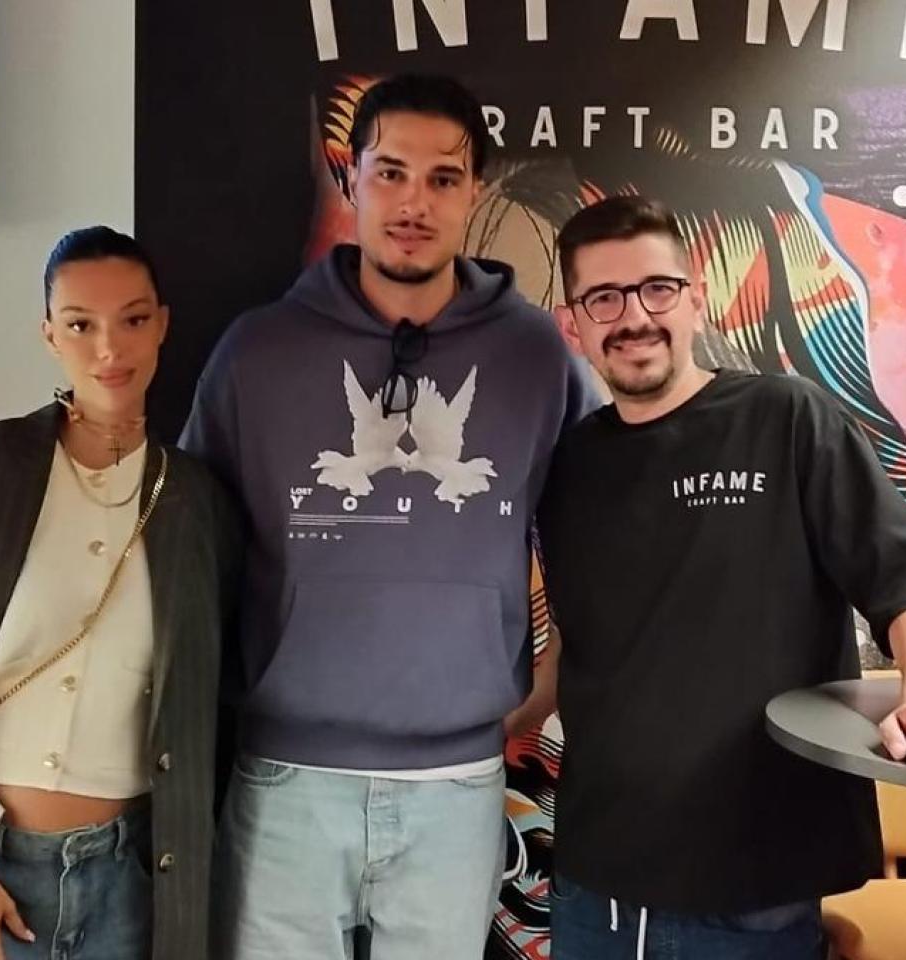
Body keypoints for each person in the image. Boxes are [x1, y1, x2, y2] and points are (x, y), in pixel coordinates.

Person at [181, 73, 594, 960]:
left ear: (475, 190)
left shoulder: (535, 354)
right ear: (352, 179)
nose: (415, 203)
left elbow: (611, 523)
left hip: (458, 783)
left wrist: (554, 674)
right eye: (391, 173)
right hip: (286, 779)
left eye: (443, 178)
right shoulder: (257, 351)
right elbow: (187, 549)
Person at [535, 194, 906, 960]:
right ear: (574, 325)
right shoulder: (569, 467)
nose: (635, 316)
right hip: (597, 877)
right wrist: (482, 726)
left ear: (695, 298)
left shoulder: (786, 418)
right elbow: (576, 641)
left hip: (753, 873)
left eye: (657, 289)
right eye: (605, 298)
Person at [0, 227, 240, 960]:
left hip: (129, 882)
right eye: (80, 324)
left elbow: (207, 705)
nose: (110, 348)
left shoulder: (199, 503)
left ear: (163, 325)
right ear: (48, 334)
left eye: (133, 320)